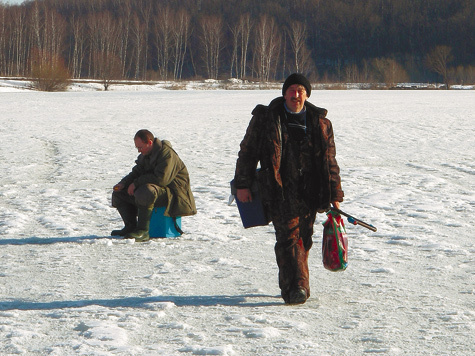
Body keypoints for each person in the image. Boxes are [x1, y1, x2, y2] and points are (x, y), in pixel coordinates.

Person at [233, 73, 344, 304]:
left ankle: (294, 284)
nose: (296, 95)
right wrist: (241, 185)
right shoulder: (266, 118)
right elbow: (248, 152)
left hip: (310, 191)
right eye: (292, 90)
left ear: (307, 94)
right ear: (284, 93)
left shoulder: (321, 123)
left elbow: (329, 161)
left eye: (300, 90)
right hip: (279, 189)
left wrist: (334, 195)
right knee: (288, 238)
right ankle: (296, 288)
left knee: (304, 237)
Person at [111, 129, 196, 242]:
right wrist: (123, 183)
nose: (139, 151)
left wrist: (136, 183)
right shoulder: (146, 154)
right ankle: (131, 226)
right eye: (137, 148)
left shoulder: (167, 154)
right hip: (160, 191)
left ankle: (143, 231)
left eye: (140, 147)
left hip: (174, 195)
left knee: (145, 191)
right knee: (119, 193)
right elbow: (137, 172)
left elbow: (161, 179)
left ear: (150, 143)